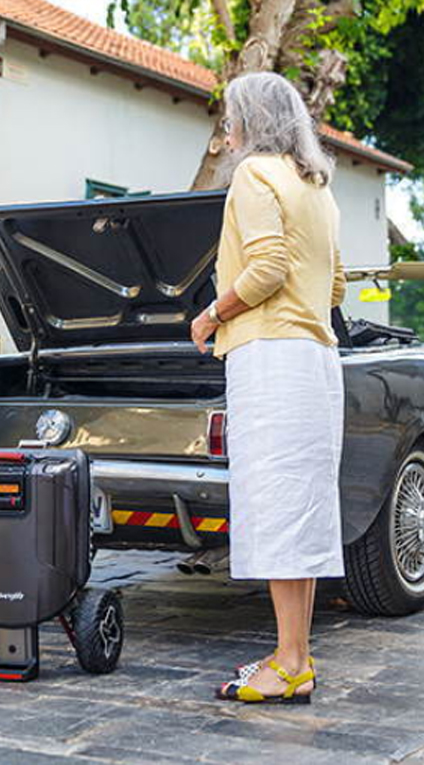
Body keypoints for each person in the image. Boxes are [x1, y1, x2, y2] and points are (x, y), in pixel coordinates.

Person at [190, 73, 346, 704]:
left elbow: (268, 267)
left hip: (272, 360)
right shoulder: (317, 186)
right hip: (316, 359)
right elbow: (335, 287)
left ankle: (287, 662)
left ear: (250, 122)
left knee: (278, 510)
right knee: (302, 512)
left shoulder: (255, 175)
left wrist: (212, 314)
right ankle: (295, 657)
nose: (226, 133)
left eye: (230, 120)